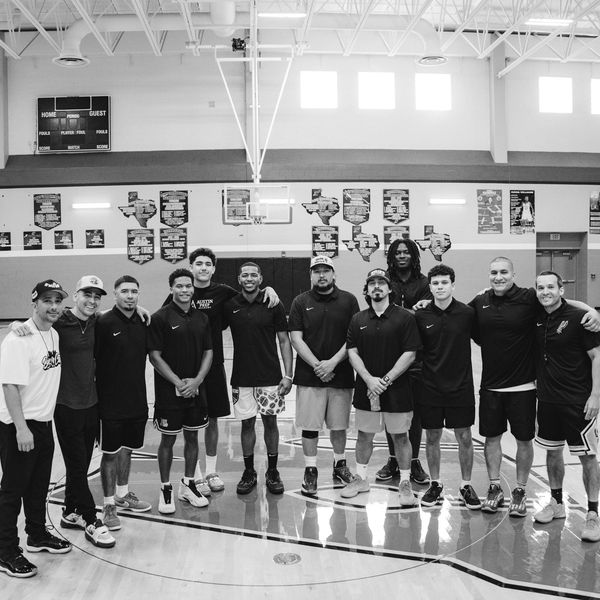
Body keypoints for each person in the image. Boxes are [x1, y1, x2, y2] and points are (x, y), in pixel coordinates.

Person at [469, 257, 600, 517]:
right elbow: (456, 313)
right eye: (494, 272)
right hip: (510, 390)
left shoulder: (532, 299)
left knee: (536, 444)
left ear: (514, 273)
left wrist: (593, 311)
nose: (499, 276)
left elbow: (563, 307)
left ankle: (587, 511)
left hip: (539, 391)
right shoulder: (483, 302)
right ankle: (513, 492)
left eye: (504, 271)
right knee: (513, 444)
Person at [168, 248, 279, 495]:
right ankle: (194, 476)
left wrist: (270, 289)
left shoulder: (223, 293)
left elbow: (250, 294)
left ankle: (211, 472)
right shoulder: (182, 291)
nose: (203, 268)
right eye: (199, 263)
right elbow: (160, 317)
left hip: (214, 366)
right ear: (192, 266)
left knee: (213, 419)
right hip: (186, 370)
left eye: (208, 263)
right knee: (190, 425)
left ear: (214, 268)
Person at [0, 280, 71, 578]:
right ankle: (5, 551)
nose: (53, 306)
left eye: (58, 300)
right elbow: (9, 385)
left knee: (38, 486)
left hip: (43, 424)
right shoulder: (18, 339)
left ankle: (36, 534)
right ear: (35, 302)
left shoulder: (53, 333)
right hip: (19, 425)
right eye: (47, 301)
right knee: (12, 491)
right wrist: (21, 428)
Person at [343, 268, 421, 507]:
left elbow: (410, 353)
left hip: (397, 390)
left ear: (389, 289)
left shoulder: (405, 317)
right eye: (372, 283)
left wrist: (384, 381)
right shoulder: (358, 319)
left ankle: (405, 482)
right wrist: (369, 380)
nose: (377, 287)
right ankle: (361, 478)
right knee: (364, 435)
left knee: (400, 436)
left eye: (381, 283)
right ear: (366, 290)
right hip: (367, 389)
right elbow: (352, 351)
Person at [532, 271, 600, 542]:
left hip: (578, 401)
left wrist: (596, 395)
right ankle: (557, 503)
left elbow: (597, 357)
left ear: (561, 289)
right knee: (552, 453)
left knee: (587, 457)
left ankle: (593, 514)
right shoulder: (535, 317)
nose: (545, 291)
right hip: (547, 400)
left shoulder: (578, 318)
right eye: (540, 287)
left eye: (550, 287)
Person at [289, 255, 360, 496]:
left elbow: (353, 338)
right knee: (310, 427)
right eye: (317, 271)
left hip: (340, 374)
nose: (322, 275)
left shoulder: (349, 300)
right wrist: (319, 365)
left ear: (334, 274)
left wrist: (332, 363)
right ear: (310, 275)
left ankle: (340, 465)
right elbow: (295, 338)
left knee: (338, 426)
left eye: (326, 270)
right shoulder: (300, 301)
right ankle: (310, 470)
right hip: (309, 376)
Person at [53, 276, 115, 548]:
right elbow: (33, 324)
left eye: (97, 296)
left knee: (80, 463)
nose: (92, 300)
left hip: (92, 404)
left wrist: (140, 308)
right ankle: (92, 519)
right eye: (87, 294)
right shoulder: (59, 322)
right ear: (75, 296)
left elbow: (123, 312)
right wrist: (20, 326)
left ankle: (69, 513)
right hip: (65, 405)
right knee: (77, 466)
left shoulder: (97, 321)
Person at [414, 265, 481, 509]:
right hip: (429, 386)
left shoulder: (467, 313)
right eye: (435, 283)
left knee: (464, 436)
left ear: (453, 284)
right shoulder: (420, 315)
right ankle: (435, 483)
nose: (440, 287)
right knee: (432, 437)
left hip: (461, 387)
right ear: (429, 287)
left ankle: (465, 484)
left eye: (444, 282)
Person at [224, 262, 293, 495]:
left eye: (254, 275)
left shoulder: (273, 303)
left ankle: (272, 471)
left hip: (270, 376)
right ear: (239, 279)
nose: (250, 278)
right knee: (247, 424)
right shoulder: (231, 305)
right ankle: (249, 471)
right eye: (245, 275)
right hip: (242, 377)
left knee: (270, 422)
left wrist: (288, 375)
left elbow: (285, 341)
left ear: (261, 278)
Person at [149, 268, 213, 513]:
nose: (185, 290)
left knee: (193, 436)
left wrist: (196, 381)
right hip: (169, 392)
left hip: (196, 390)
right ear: (171, 288)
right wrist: (178, 382)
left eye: (188, 286)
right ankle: (165, 488)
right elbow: (155, 356)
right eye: (180, 286)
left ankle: (188, 485)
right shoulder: (160, 318)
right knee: (168, 439)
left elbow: (209, 351)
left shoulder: (202, 318)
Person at [95, 275, 151, 532]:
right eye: (125, 291)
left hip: (137, 400)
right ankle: (108, 505)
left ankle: (123, 494)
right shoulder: (103, 322)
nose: (130, 296)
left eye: (134, 292)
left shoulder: (143, 321)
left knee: (128, 449)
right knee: (110, 454)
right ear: (115, 294)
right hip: (109, 403)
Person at [376, 238, 431, 485]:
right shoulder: (384, 280)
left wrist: (404, 313)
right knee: (392, 411)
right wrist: (411, 312)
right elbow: (380, 311)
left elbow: (428, 316)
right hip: (389, 354)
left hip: (418, 355)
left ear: (413, 255)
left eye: (406, 252)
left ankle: (415, 460)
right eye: (397, 252)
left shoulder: (425, 282)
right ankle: (393, 458)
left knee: (416, 413)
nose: (401, 256)